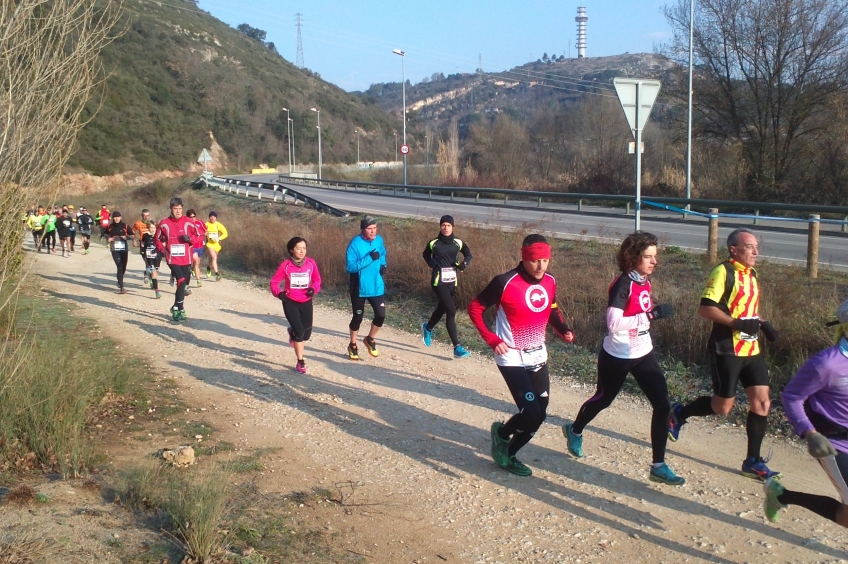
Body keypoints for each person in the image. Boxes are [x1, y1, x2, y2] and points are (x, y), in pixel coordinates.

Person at [562, 232, 684, 486]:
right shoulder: (623, 283)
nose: (654, 262)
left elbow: (638, 313)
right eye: (648, 257)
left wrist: (647, 317)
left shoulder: (644, 280)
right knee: (603, 399)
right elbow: (613, 323)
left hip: (642, 352)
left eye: (655, 257)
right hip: (617, 355)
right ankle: (574, 430)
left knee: (663, 405)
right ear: (633, 257)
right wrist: (651, 316)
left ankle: (658, 466)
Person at [668, 228, 781, 481]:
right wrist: (737, 324)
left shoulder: (751, 273)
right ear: (734, 249)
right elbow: (706, 309)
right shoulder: (722, 272)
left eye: (756, 247)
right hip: (727, 349)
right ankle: (678, 413)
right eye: (750, 247)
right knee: (723, 408)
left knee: (762, 402)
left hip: (752, 350)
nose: (756, 252)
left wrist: (764, 323)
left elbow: (747, 307)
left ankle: (753, 460)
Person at [468, 234, 574, 476]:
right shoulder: (505, 281)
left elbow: (552, 308)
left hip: (537, 354)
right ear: (525, 258)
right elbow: (475, 307)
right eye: (536, 260)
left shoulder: (550, 281)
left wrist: (563, 329)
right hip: (511, 356)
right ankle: (502, 435)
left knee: (540, 414)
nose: (541, 267)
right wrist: (492, 338)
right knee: (531, 412)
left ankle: (508, 449)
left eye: (545, 260)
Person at [764, 299, 848, 525]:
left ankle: (781, 495)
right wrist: (810, 433)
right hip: (834, 444)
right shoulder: (827, 364)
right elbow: (792, 397)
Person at [421, 215, 473, 359]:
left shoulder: (458, 242)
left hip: (452, 281)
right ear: (440, 226)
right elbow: (425, 254)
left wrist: (464, 264)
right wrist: (431, 263)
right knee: (451, 310)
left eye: (448, 225)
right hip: (438, 281)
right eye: (443, 225)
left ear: (452, 227)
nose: (445, 227)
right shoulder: (434, 243)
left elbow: (468, 255)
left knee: (442, 308)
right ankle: (457, 347)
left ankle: (428, 327)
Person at [270, 237, 322, 373]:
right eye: (298, 248)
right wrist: (279, 294)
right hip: (290, 301)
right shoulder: (285, 265)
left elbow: (317, 280)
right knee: (300, 333)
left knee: (306, 335)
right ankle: (300, 362)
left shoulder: (311, 263)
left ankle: (292, 332)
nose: (302, 251)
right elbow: (274, 282)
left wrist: (313, 289)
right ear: (291, 250)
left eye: (304, 248)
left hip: (306, 301)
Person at [345, 216, 387, 360]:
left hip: (376, 285)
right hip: (359, 287)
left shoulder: (379, 240)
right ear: (363, 229)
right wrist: (369, 258)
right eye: (370, 229)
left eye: (375, 228)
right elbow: (350, 267)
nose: (373, 231)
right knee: (358, 317)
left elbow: (382, 253)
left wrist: (383, 264)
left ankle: (370, 339)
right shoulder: (354, 244)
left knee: (381, 315)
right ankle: (352, 345)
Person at [155, 197, 201, 322]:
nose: (178, 211)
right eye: (175, 209)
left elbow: (198, 236)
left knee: (183, 284)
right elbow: (157, 239)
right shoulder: (164, 223)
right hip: (172, 258)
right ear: (171, 209)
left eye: (180, 209)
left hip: (186, 258)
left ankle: (178, 308)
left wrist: (190, 239)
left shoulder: (189, 222)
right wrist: (162, 250)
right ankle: (177, 308)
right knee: (180, 279)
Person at [104, 211, 132, 293]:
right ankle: (122, 287)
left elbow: (132, 235)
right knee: (119, 266)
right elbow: (105, 234)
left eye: (118, 217)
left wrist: (126, 237)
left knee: (123, 266)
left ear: (121, 217)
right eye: (114, 217)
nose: (116, 219)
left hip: (124, 249)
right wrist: (108, 238)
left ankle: (119, 280)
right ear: (112, 218)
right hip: (114, 249)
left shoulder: (125, 226)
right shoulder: (110, 226)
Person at [140, 221, 162, 299]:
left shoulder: (159, 235)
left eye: (154, 228)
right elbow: (142, 243)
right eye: (151, 228)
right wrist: (142, 251)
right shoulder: (145, 235)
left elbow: (164, 243)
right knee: (153, 273)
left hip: (157, 256)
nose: (152, 229)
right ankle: (157, 291)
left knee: (156, 273)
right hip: (149, 257)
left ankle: (150, 276)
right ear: (148, 228)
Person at [186, 209, 207, 288]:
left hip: (200, 246)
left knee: (197, 263)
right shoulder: (187, 225)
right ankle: (198, 279)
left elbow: (206, 231)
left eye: (194, 216)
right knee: (196, 260)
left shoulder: (200, 223)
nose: (192, 218)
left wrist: (202, 236)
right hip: (192, 246)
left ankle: (197, 278)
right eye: (190, 217)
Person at [204, 211, 228, 281]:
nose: (212, 218)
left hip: (217, 245)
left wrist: (219, 238)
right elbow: (201, 232)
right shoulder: (206, 224)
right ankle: (217, 274)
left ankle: (209, 268)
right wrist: (205, 234)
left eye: (214, 216)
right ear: (209, 217)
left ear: (216, 218)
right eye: (211, 216)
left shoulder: (219, 225)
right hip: (209, 244)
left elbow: (225, 233)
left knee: (213, 259)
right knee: (214, 257)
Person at [132, 209, 152, 285]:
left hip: (151, 244)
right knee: (146, 260)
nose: (146, 217)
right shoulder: (138, 223)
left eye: (147, 216)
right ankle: (147, 273)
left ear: (149, 216)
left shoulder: (152, 223)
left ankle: (148, 274)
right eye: (144, 216)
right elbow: (132, 231)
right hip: (143, 244)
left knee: (150, 261)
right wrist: (134, 240)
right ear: (142, 216)